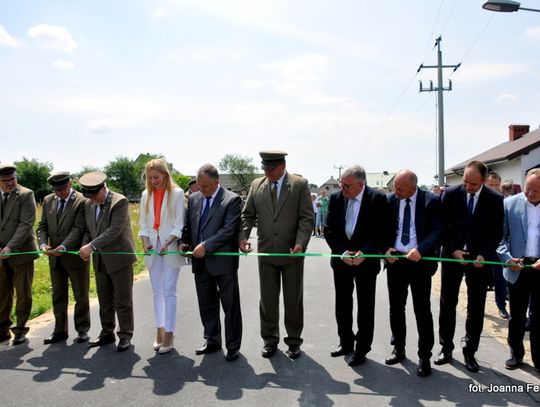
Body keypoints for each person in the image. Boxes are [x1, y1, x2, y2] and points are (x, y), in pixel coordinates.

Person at [239, 150, 313, 359]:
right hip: (266, 252)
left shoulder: (299, 184)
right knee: (268, 300)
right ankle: (270, 339)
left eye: (271, 169)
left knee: (293, 300)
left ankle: (294, 341)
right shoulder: (257, 185)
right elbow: (248, 215)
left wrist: (300, 244)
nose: (268, 173)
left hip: (292, 254)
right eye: (265, 169)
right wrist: (243, 237)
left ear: (283, 166)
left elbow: (306, 218)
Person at [435, 160, 503, 372]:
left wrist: (484, 254)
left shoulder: (495, 199)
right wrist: (453, 250)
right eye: (465, 181)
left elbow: (495, 233)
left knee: (476, 305)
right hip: (453, 255)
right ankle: (445, 348)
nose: (467, 187)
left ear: (483, 181)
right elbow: (441, 227)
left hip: (478, 260)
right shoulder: (450, 194)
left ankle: (470, 351)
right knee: (448, 302)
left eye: (473, 184)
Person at [324, 165, 390, 366]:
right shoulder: (336, 199)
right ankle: (345, 342)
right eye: (341, 184)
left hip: (366, 262)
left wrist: (367, 252)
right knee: (342, 304)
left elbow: (382, 231)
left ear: (360, 185)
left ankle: (362, 348)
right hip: (342, 260)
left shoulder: (376, 199)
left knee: (365, 306)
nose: (342, 188)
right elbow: (329, 230)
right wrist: (342, 251)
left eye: (346, 185)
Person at [181, 164, 243, 361]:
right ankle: (212, 340)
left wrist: (206, 246)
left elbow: (228, 230)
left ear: (217, 182)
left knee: (230, 305)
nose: (201, 190)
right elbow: (190, 226)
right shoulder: (193, 198)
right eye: (198, 186)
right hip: (200, 263)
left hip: (223, 262)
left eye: (205, 186)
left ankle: (233, 345)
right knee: (206, 304)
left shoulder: (232, 200)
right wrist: (185, 242)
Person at [384, 170, 442, 377]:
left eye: (399, 188)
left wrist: (422, 249)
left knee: (422, 310)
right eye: (394, 187)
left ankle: (424, 355)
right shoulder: (390, 200)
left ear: (413, 187)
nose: (395, 191)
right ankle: (398, 348)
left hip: (420, 262)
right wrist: (385, 248)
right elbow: (381, 229)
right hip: (396, 261)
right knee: (396, 308)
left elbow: (438, 230)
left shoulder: (431, 201)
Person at [78, 171, 136, 352]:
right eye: (89, 196)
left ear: (103, 188)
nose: (92, 200)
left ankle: (125, 334)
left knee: (122, 299)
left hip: (119, 258)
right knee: (104, 299)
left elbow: (114, 230)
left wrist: (91, 246)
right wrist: (85, 245)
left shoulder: (119, 202)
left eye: (95, 195)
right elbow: (88, 229)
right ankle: (107, 332)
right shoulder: (88, 204)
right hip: (100, 258)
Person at [37, 172, 90, 344]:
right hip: (55, 258)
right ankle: (59, 330)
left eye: (62, 189)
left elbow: (78, 228)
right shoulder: (47, 200)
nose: (59, 193)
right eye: (56, 190)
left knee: (80, 295)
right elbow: (42, 226)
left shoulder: (81, 201)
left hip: (75, 257)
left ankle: (82, 330)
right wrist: (43, 244)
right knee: (58, 295)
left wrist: (64, 246)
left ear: (70, 184)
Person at [138, 159, 185, 354]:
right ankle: (160, 329)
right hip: (152, 247)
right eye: (150, 178)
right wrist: (145, 241)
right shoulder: (145, 195)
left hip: (170, 245)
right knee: (157, 292)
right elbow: (143, 224)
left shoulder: (177, 194)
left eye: (156, 177)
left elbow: (179, 223)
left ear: (165, 175)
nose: (153, 181)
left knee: (169, 291)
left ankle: (169, 333)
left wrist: (168, 241)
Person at [496, 168, 540, 372]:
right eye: (528, 189)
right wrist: (507, 259)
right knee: (517, 315)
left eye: (536, 192)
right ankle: (516, 353)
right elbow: (500, 238)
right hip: (517, 267)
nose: (530, 194)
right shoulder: (509, 203)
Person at [0, 164, 39, 345]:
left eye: (12, 179)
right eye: (5, 181)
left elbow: (26, 224)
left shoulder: (26, 194)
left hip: (21, 252)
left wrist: (9, 247)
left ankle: (21, 329)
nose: (10, 183)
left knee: (23, 293)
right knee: (2, 293)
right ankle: (2, 329)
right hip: (0, 255)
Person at [485, 172, 509, 319]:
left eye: (496, 185)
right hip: (481, 247)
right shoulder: (480, 201)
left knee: (500, 278)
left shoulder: (505, 202)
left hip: (498, 247)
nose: (494, 188)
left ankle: (501, 306)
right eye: (490, 184)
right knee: (479, 278)